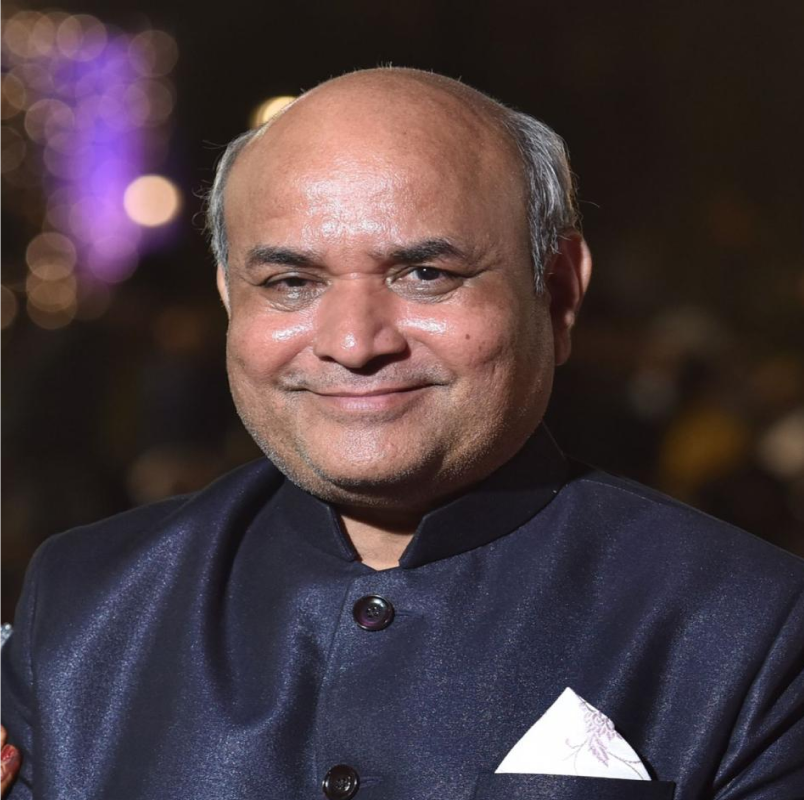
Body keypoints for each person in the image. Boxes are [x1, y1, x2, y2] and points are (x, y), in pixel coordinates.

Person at [0, 67, 803, 800]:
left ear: (557, 293)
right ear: (228, 301)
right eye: (291, 281)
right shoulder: (80, 606)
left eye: (426, 275)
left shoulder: (749, 630)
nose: (355, 343)